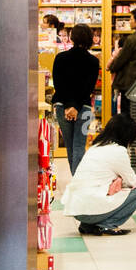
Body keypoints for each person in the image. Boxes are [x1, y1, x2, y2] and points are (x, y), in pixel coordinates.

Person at [63, 113, 136, 236]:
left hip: (77, 210)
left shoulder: (96, 147)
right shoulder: (118, 151)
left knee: (119, 190)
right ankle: (108, 224)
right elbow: (134, 182)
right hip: (89, 208)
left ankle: (88, 225)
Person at [51, 23, 100, 174]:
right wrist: (76, 106)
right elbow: (88, 88)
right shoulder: (93, 62)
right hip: (84, 108)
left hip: (62, 107)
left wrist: (68, 106)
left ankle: (76, 182)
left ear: (72, 38)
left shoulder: (60, 58)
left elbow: (59, 84)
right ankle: (78, 182)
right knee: (79, 145)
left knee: (70, 146)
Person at [108, 7, 136, 119]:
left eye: (131, 19)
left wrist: (112, 67)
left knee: (127, 114)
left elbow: (121, 59)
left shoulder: (132, 39)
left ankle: (128, 135)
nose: (129, 22)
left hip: (129, 82)